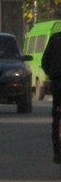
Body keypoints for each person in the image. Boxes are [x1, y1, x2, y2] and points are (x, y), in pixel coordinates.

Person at [42, 31, 61, 163]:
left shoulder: (55, 38)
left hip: (58, 82)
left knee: (56, 117)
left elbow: (45, 61)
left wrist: (52, 75)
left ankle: (57, 153)